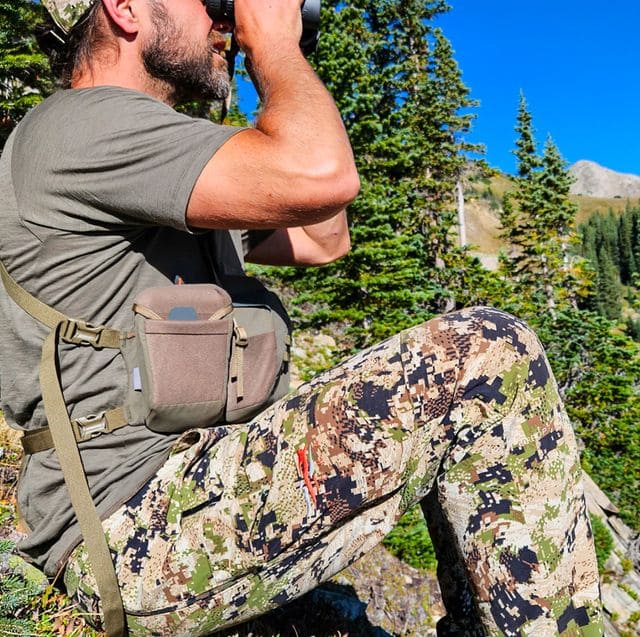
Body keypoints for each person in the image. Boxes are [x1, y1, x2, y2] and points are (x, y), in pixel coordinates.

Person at [0, 0, 604, 635]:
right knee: (484, 354)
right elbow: (321, 176)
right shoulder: (84, 125)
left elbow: (322, 237)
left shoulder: (144, 155)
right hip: (129, 531)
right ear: (124, 10)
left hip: (177, 503)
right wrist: (273, 50)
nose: (221, 18)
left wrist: (282, 63)